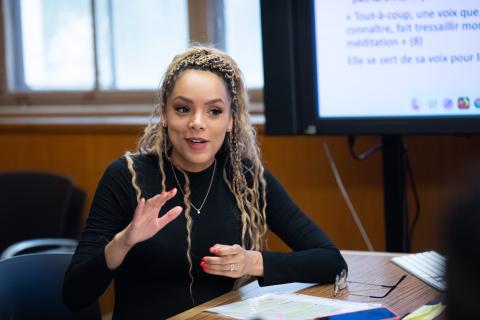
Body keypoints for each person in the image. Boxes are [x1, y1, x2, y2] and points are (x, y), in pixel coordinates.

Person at [63, 47, 347, 319]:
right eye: (183, 109)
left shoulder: (244, 177)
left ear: (231, 120)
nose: (197, 123)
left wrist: (251, 262)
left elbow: (330, 261)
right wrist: (124, 242)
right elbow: (75, 295)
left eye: (214, 111)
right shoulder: (127, 176)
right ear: (164, 114)